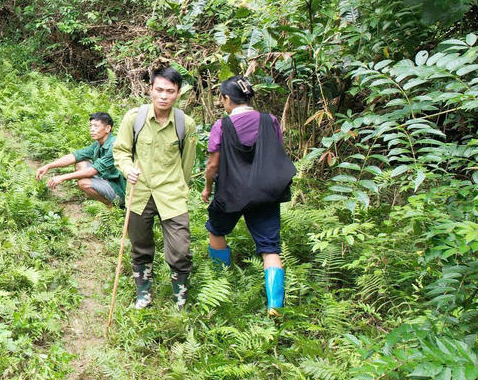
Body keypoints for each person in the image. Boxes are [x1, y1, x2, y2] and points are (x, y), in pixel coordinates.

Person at [200, 76, 296, 317]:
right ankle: (275, 306)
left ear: (226, 99)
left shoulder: (222, 126)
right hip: (266, 193)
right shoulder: (269, 120)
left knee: (216, 230)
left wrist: (207, 188)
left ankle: (221, 281)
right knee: (270, 249)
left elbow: (213, 165)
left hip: (231, 192)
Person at [112, 66, 198, 310]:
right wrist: (127, 168)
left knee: (180, 249)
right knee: (140, 247)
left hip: (172, 194)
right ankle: (144, 295)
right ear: (150, 90)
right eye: (159, 89)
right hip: (139, 193)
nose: (163, 96)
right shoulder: (134, 119)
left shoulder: (186, 124)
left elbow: (187, 163)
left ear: (178, 93)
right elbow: (120, 151)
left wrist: (181, 187)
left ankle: (179, 298)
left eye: (170, 91)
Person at [34, 112, 125, 207]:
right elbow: (75, 156)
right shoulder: (98, 144)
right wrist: (48, 166)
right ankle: (101, 194)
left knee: (84, 183)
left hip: (120, 189)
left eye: (96, 126)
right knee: (80, 163)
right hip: (106, 179)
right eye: (90, 126)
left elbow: (93, 171)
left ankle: (111, 205)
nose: (92, 129)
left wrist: (62, 177)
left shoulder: (114, 146)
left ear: (107, 128)